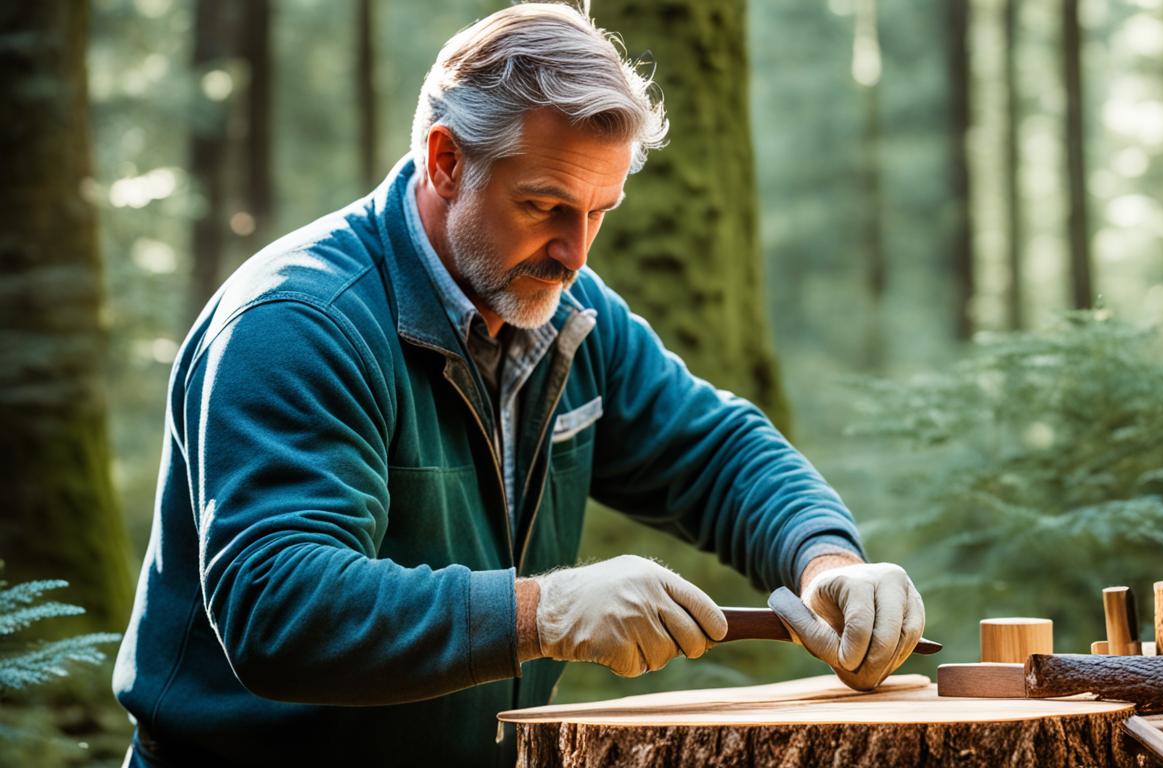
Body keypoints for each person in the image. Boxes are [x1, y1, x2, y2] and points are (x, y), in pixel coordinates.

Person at [113, 4, 924, 765]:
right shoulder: (298, 323)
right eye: (544, 204)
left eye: (600, 209)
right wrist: (545, 612)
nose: (575, 253)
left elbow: (716, 453)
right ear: (444, 160)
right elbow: (280, 608)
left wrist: (826, 562)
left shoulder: (564, 309)